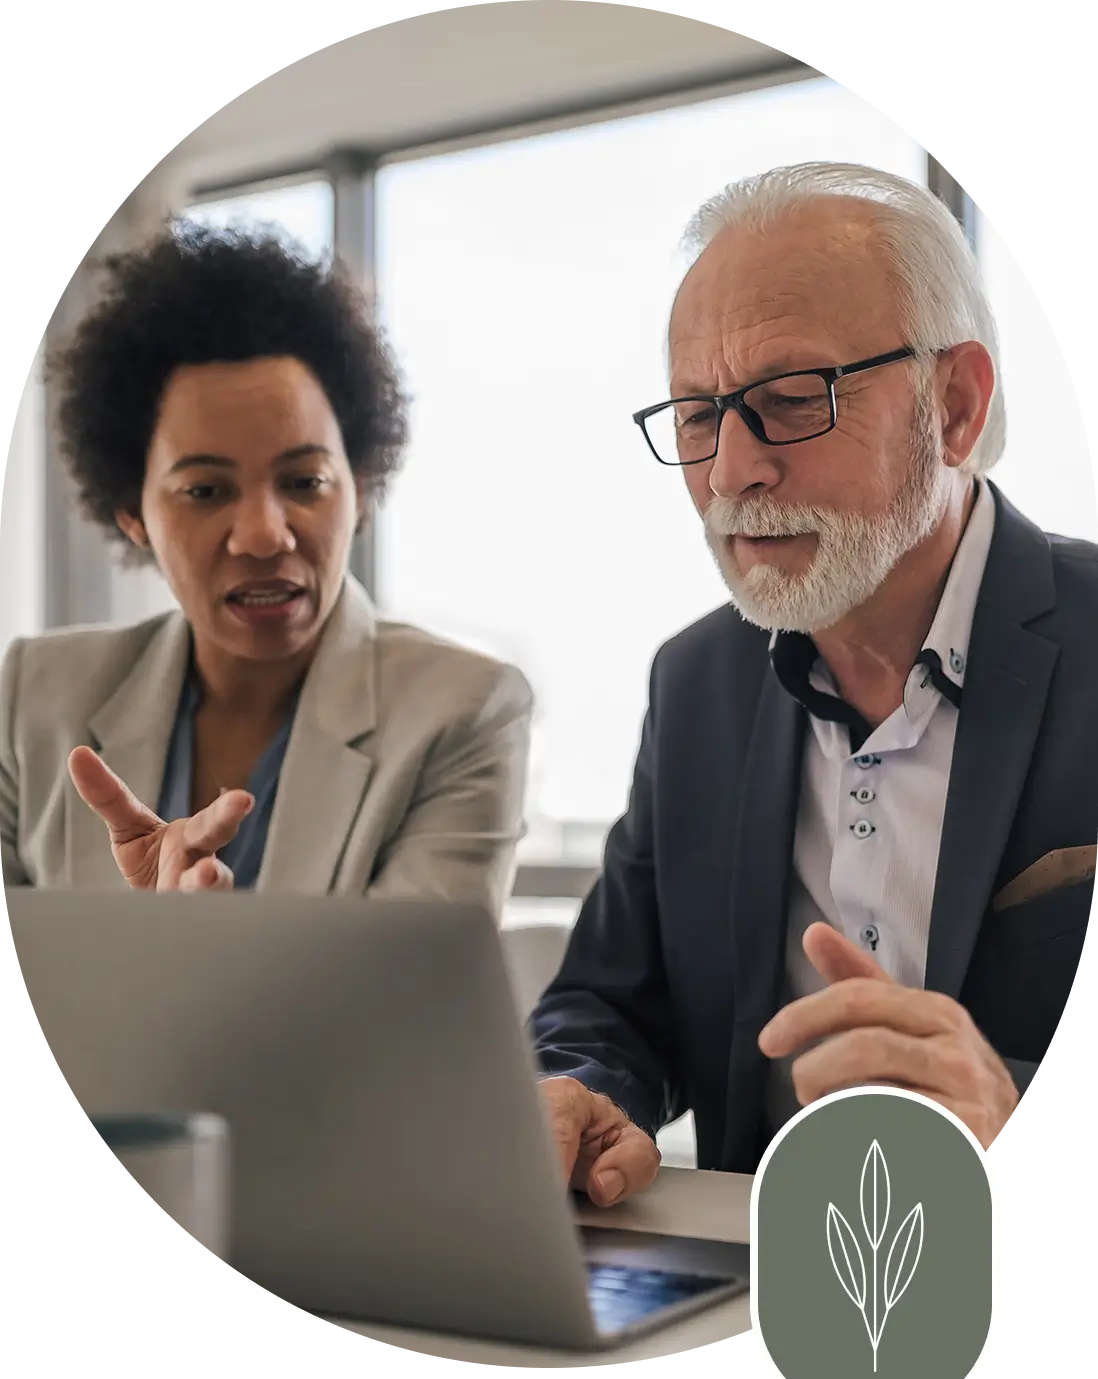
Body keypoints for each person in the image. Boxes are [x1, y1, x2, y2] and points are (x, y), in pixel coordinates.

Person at [530, 160, 1097, 1208]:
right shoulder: (695, 682)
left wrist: (1021, 1120)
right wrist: (580, 1088)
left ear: (957, 405)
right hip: (762, 1294)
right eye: (699, 417)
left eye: (790, 401)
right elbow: (611, 1003)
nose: (733, 471)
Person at [0, 224, 532, 915]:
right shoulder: (33, 699)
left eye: (304, 482)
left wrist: (167, 963)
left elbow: (403, 1008)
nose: (263, 535)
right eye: (206, 491)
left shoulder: (463, 714)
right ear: (133, 515)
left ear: (360, 487)